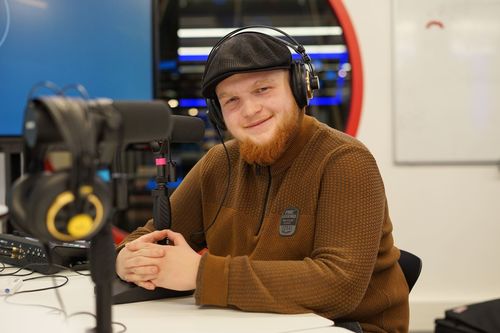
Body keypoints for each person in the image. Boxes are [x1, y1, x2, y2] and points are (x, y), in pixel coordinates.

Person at [115, 26, 409, 333]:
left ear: (299, 88)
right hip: (254, 321)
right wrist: (126, 259)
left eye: (263, 90)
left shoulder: (345, 161)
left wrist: (202, 273)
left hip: (347, 327)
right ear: (219, 115)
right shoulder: (219, 163)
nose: (250, 110)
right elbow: (151, 236)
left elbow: (339, 287)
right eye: (231, 101)